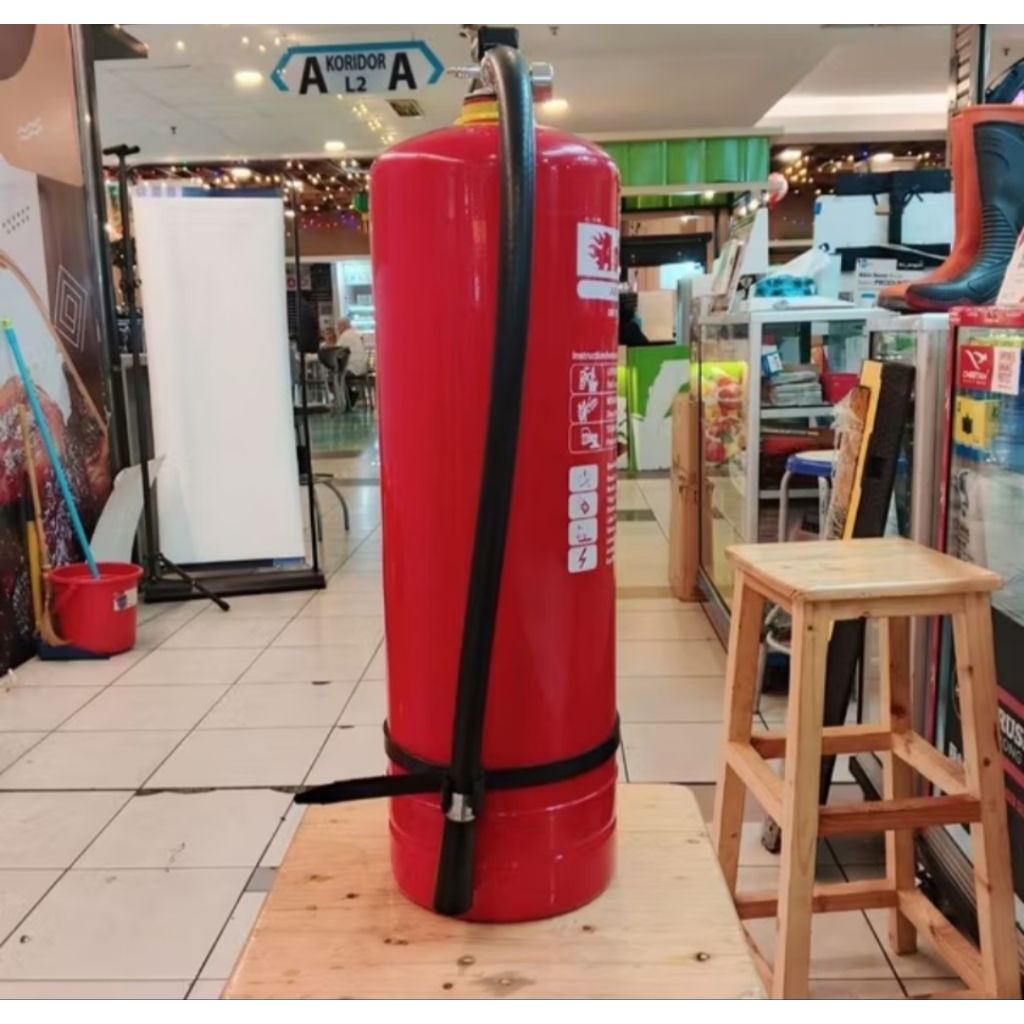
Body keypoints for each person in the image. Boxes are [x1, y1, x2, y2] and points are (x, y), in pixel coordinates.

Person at [336, 316, 369, 406]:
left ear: (342, 326)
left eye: (338, 327)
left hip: (352, 368)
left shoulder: (344, 336)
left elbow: (336, 352)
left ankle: (345, 400)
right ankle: (350, 395)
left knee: (335, 377)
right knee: (340, 374)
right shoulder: (356, 334)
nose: (337, 330)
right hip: (362, 368)